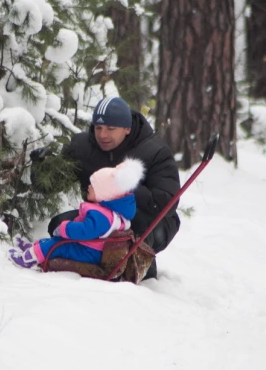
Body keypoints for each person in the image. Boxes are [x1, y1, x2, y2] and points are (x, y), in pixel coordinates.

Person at [30, 97, 181, 279]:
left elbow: (166, 203)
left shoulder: (155, 151)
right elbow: (49, 185)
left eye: (111, 129)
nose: (102, 135)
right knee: (59, 224)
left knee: (129, 235)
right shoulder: (83, 146)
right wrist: (40, 165)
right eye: (98, 128)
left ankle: (141, 270)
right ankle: (84, 270)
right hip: (101, 217)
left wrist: (125, 184)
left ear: (127, 129)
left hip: (152, 222)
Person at [10, 158, 144, 268]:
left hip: (89, 251)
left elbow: (86, 231)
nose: (89, 187)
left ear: (105, 194)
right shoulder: (110, 212)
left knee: (58, 246)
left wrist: (65, 228)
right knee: (57, 241)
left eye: (94, 186)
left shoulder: (102, 216)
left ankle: (27, 259)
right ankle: (34, 248)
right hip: (91, 247)